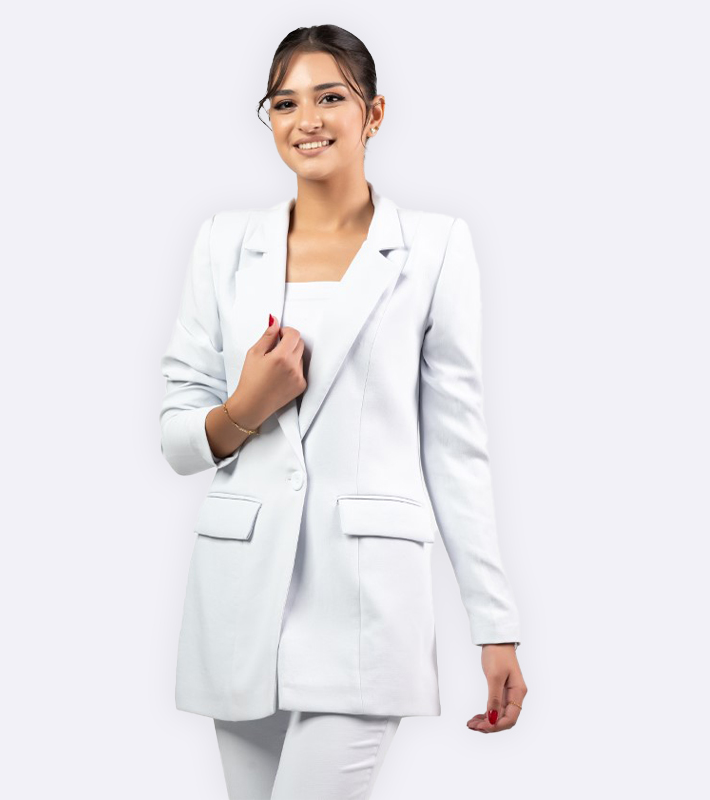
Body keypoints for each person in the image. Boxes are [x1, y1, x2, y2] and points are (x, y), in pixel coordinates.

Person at [159, 24, 528, 800]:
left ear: (374, 113)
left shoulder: (434, 248)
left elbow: (456, 447)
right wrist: (246, 406)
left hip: (365, 605)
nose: (307, 120)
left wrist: (494, 623)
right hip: (239, 603)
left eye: (330, 97)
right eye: (285, 102)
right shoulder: (225, 244)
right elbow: (179, 436)